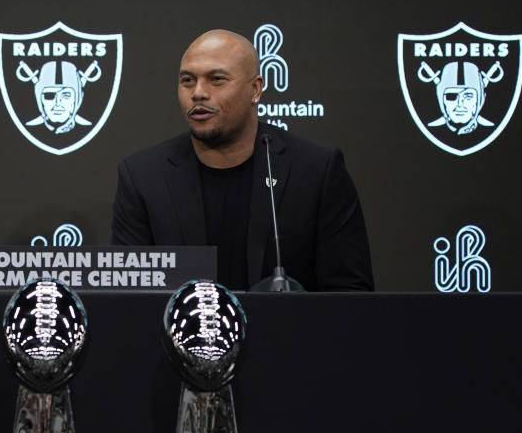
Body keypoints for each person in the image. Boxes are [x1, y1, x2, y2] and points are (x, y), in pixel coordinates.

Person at [111, 29, 373, 291]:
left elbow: (351, 295)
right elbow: (130, 301)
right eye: (188, 81)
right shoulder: (143, 177)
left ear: (255, 89)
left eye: (217, 79)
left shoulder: (317, 170)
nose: (198, 93)